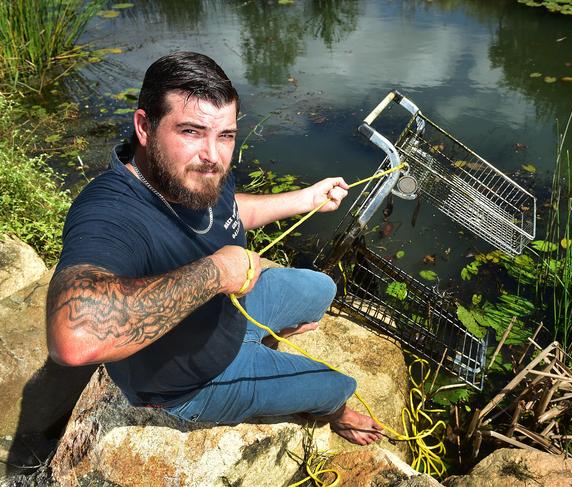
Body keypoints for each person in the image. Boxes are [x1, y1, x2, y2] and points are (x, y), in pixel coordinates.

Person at [46, 51, 382, 446]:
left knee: (322, 289)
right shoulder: (111, 210)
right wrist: (217, 273)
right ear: (144, 126)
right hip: (193, 380)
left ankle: (263, 341)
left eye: (226, 136)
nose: (212, 156)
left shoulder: (191, 173)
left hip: (229, 314)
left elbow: (228, 210)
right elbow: (74, 337)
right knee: (337, 385)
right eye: (190, 131)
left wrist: (305, 200)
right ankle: (336, 413)